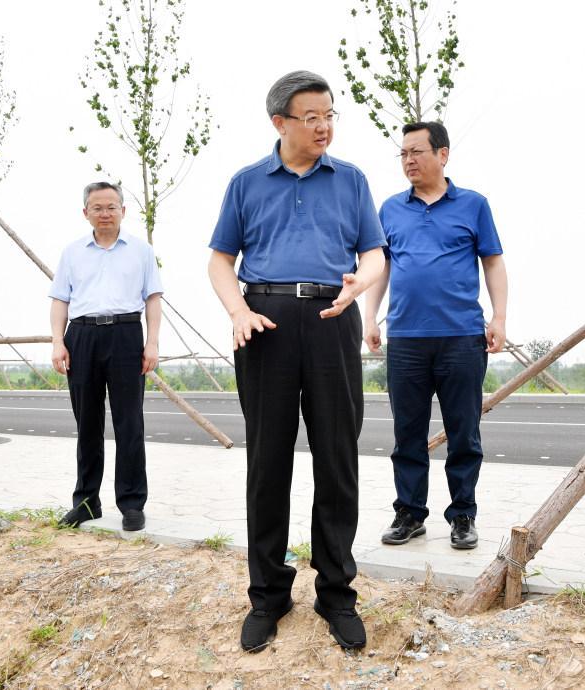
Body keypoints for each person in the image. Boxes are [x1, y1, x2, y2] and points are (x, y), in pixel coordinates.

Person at [207, 70, 386, 652]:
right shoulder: (246, 183)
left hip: (334, 318)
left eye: (330, 114)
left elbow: (375, 252)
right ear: (280, 122)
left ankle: (336, 593)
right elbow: (219, 261)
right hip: (265, 325)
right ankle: (268, 593)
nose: (324, 125)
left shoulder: (351, 179)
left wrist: (361, 284)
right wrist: (237, 310)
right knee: (268, 462)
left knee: (338, 458)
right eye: (311, 116)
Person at [364, 121, 507, 550]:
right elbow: (381, 266)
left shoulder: (474, 205)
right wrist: (369, 317)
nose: (409, 160)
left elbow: (493, 263)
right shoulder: (390, 209)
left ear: (442, 154)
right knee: (408, 433)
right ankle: (409, 513)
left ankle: (463, 515)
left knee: (464, 433)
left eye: (417, 152)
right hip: (406, 338)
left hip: (462, 338)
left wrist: (499, 317)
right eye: (403, 154)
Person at [49, 181, 163, 533]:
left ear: (123, 210)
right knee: (88, 423)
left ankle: (131, 503)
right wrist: (58, 341)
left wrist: (153, 343)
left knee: (130, 423)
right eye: (97, 207)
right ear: (86, 213)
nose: (105, 213)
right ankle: (86, 502)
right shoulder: (72, 252)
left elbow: (153, 298)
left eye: (112, 206)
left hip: (127, 335)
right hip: (81, 337)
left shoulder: (141, 251)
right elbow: (60, 301)